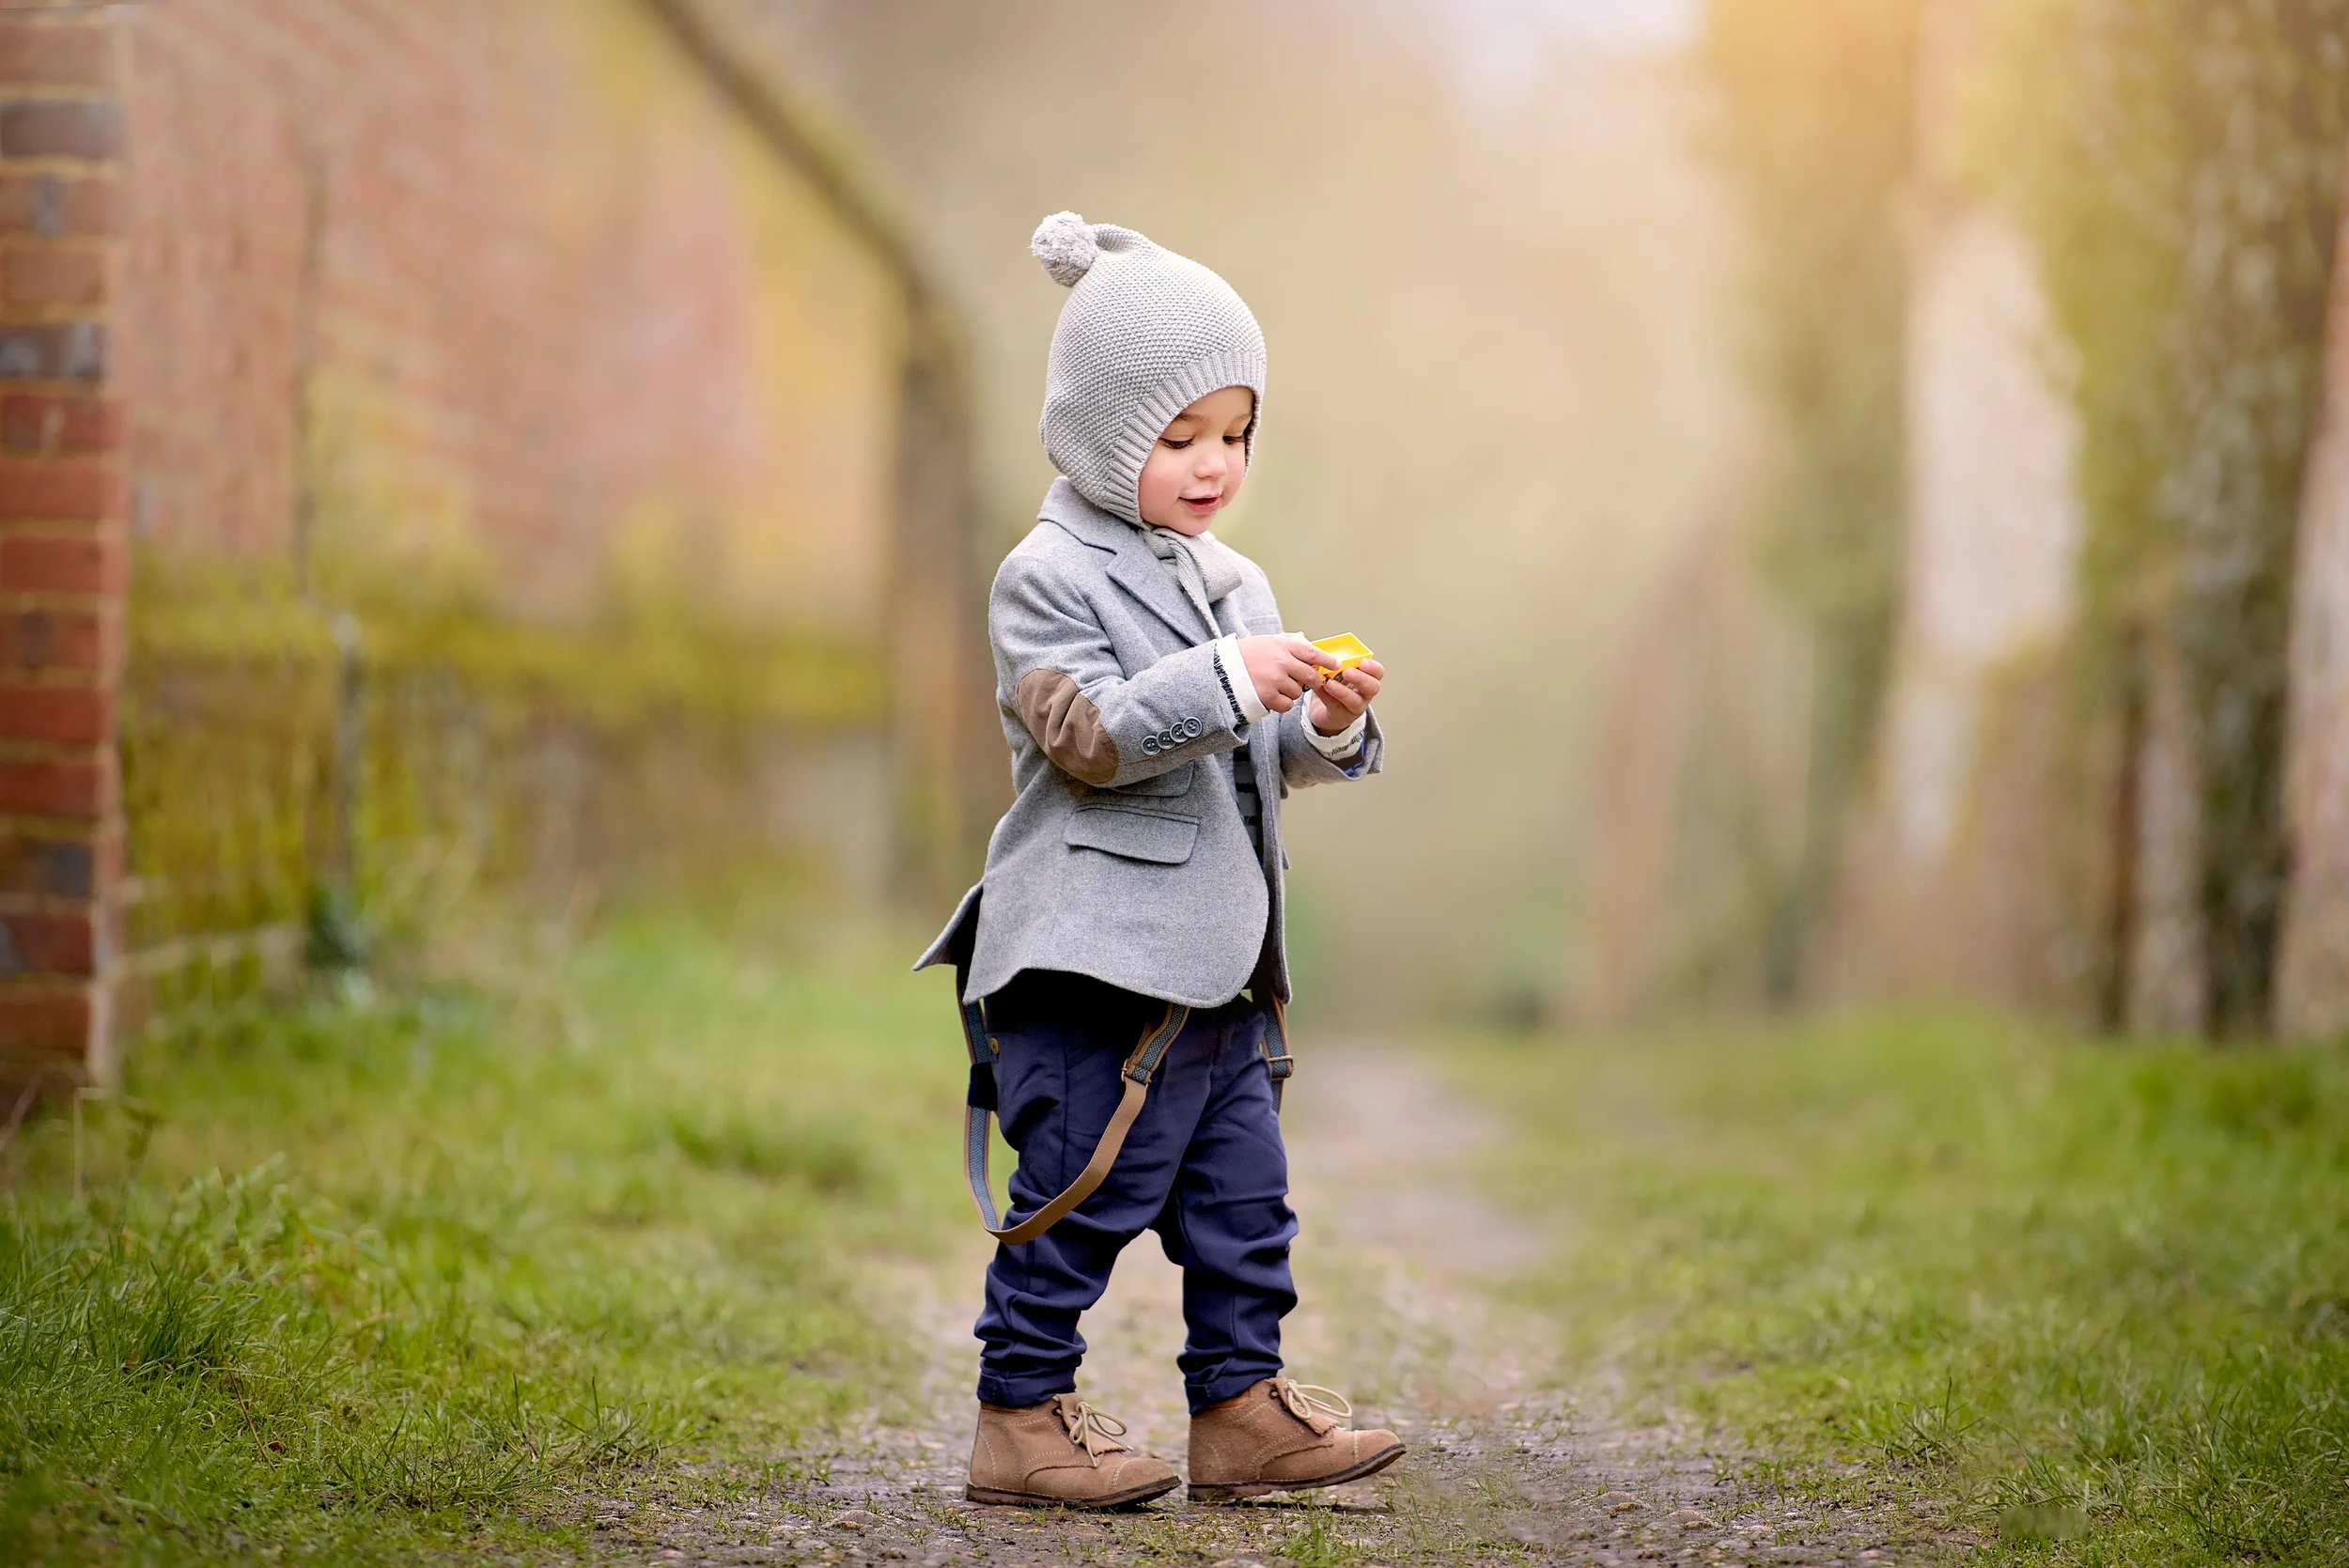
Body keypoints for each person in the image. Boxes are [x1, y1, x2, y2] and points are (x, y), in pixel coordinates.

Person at [915, 211, 1403, 1510]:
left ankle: (1241, 1411)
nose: (1212, 464)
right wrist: (1225, 679)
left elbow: (1245, 765)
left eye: (1234, 434)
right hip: (1088, 970)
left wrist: (1317, 724)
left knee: (1248, 1206)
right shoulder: (1043, 577)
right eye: (1179, 437)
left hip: (1216, 972)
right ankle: (1019, 1422)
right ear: (1099, 430)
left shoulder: (1233, 579)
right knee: (1080, 1194)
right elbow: (1088, 742)